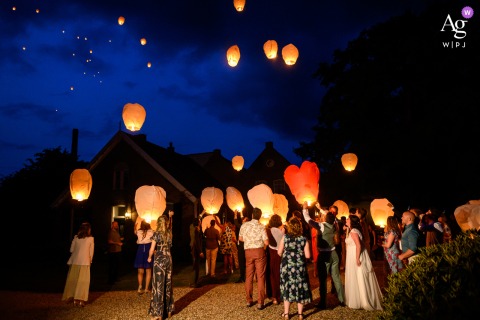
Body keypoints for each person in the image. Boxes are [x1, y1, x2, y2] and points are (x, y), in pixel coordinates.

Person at [303, 203, 345, 310]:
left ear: (326, 217)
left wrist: (305, 209)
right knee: (336, 277)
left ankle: (323, 303)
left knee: (323, 279)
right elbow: (330, 216)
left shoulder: (322, 226)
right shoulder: (335, 224)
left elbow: (308, 219)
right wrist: (321, 208)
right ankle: (342, 300)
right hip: (334, 254)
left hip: (325, 255)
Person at [344, 215, 383, 310]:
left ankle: (363, 300)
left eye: (348, 219)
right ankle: (358, 299)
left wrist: (357, 258)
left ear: (352, 221)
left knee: (359, 276)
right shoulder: (353, 230)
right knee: (357, 276)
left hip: (355, 255)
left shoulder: (354, 232)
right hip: (353, 254)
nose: (346, 220)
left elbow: (358, 245)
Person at [278, 217, 312, 319]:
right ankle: (300, 314)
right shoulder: (304, 239)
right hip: (299, 267)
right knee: (300, 287)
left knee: (287, 287)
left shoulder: (285, 238)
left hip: (287, 267)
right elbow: (308, 256)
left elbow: (279, 252)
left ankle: (286, 313)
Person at [239, 207, 269, 310]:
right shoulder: (261, 227)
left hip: (248, 251)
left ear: (252, 215)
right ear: (260, 216)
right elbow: (266, 242)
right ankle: (260, 302)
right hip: (259, 251)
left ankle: (249, 300)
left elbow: (240, 238)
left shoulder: (244, 225)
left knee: (249, 276)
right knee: (260, 276)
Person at [147, 211, 175, 320]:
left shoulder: (157, 234)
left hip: (159, 260)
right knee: (168, 284)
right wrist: (170, 217)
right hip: (169, 258)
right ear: (167, 223)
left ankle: (158, 313)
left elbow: (152, 249)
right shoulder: (169, 233)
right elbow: (170, 226)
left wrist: (149, 257)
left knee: (158, 285)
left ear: (158, 223)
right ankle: (168, 310)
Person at [62, 222, 94, 307]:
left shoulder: (76, 238)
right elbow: (91, 252)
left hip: (75, 261)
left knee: (73, 280)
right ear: (88, 230)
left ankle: (74, 298)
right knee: (83, 282)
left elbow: (71, 250)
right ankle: (81, 299)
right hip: (85, 262)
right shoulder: (90, 239)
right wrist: (90, 261)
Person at [267, 213, 285, 305]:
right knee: (281, 276)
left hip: (273, 255)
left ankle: (274, 296)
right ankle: (281, 295)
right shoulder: (282, 231)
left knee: (273, 276)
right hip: (281, 255)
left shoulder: (268, 231)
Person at [134, 217, 154, 294]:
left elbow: (135, 231)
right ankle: (146, 288)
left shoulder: (139, 232)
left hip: (140, 250)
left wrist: (135, 226)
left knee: (140, 270)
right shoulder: (151, 232)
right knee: (148, 270)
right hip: (148, 249)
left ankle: (140, 286)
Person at [234, 210, 249, 283]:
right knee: (246, 262)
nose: (242, 220)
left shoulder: (243, 227)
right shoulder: (247, 227)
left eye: (244, 220)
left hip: (242, 246)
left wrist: (235, 214)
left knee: (242, 261)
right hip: (247, 246)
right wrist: (241, 213)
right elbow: (241, 220)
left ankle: (243, 277)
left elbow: (236, 222)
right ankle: (245, 277)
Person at [190, 217, 204, 287]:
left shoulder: (198, 229)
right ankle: (195, 282)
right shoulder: (196, 230)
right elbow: (197, 242)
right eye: (199, 221)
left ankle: (195, 281)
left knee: (196, 266)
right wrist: (200, 251)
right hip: (196, 250)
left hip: (196, 250)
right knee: (196, 266)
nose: (200, 222)